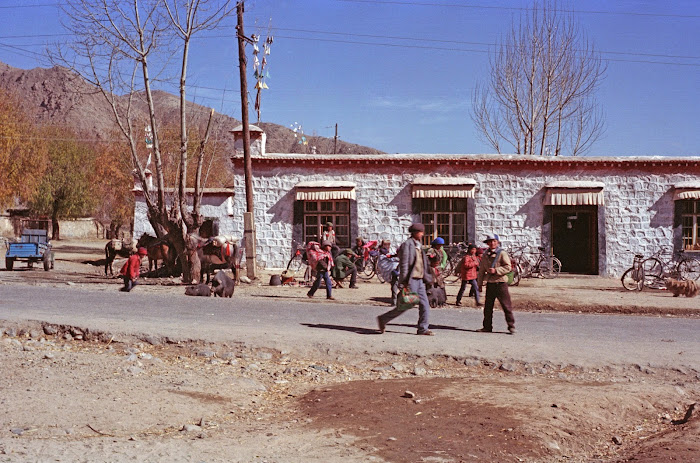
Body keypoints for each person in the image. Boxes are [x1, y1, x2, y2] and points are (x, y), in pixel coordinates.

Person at [377, 223, 434, 336]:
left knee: (425, 304)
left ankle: (423, 328)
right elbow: (404, 264)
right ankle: (383, 319)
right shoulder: (407, 245)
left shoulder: (418, 244)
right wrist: (403, 282)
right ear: (416, 233)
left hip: (420, 280)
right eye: (421, 232)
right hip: (411, 279)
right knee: (407, 304)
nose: (422, 234)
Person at [477, 233, 516, 334]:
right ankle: (487, 327)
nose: (492, 243)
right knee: (488, 307)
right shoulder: (485, 255)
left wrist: (496, 270)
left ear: (497, 242)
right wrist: (479, 284)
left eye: (494, 241)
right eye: (490, 242)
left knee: (506, 306)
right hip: (490, 283)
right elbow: (481, 271)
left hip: (501, 283)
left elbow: (508, 267)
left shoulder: (502, 253)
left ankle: (511, 326)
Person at [378, 240, 399, 305]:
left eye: (388, 244)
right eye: (386, 244)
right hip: (390, 270)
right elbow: (390, 258)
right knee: (395, 284)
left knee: (395, 285)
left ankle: (395, 301)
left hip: (392, 270)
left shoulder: (388, 251)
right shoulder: (383, 252)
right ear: (383, 245)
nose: (387, 246)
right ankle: (395, 301)